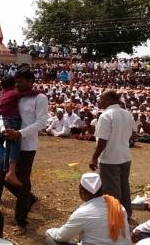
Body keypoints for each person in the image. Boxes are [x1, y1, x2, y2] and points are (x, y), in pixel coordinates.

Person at [3, 67, 48, 234]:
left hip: (27, 145)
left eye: (21, 81)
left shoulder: (39, 98)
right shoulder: (15, 96)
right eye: (16, 81)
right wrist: (3, 129)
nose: (18, 84)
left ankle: (21, 221)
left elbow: (42, 122)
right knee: (5, 178)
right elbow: (4, 115)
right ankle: (29, 199)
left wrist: (20, 133)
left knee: (21, 182)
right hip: (11, 142)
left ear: (31, 82)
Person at [46, 172, 131, 245]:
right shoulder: (118, 206)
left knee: (50, 240)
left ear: (82, 192)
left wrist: (49, 231)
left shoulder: (82, 213)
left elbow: (62, 236)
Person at [89, 90, 134, 219]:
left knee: (112, 191)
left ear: (109, 100)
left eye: (101, 99)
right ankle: (127, 213)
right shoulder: (127, 114)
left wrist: (94, 158)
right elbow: (130, 135)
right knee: (124, 186)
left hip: (110, 159)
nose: (99, 101)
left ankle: (116, 217)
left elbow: (103, 140)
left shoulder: (106, 115)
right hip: (125, 156)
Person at [0, 76, 39, 186]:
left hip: (6, 120)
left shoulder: (2, 95)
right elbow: (27, 94)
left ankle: (7, 169)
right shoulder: (13, 93)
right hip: (13, 120)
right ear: (13, 85)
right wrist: (38, 91)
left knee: (9, 145)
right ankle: (11, 171)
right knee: (15, 144)